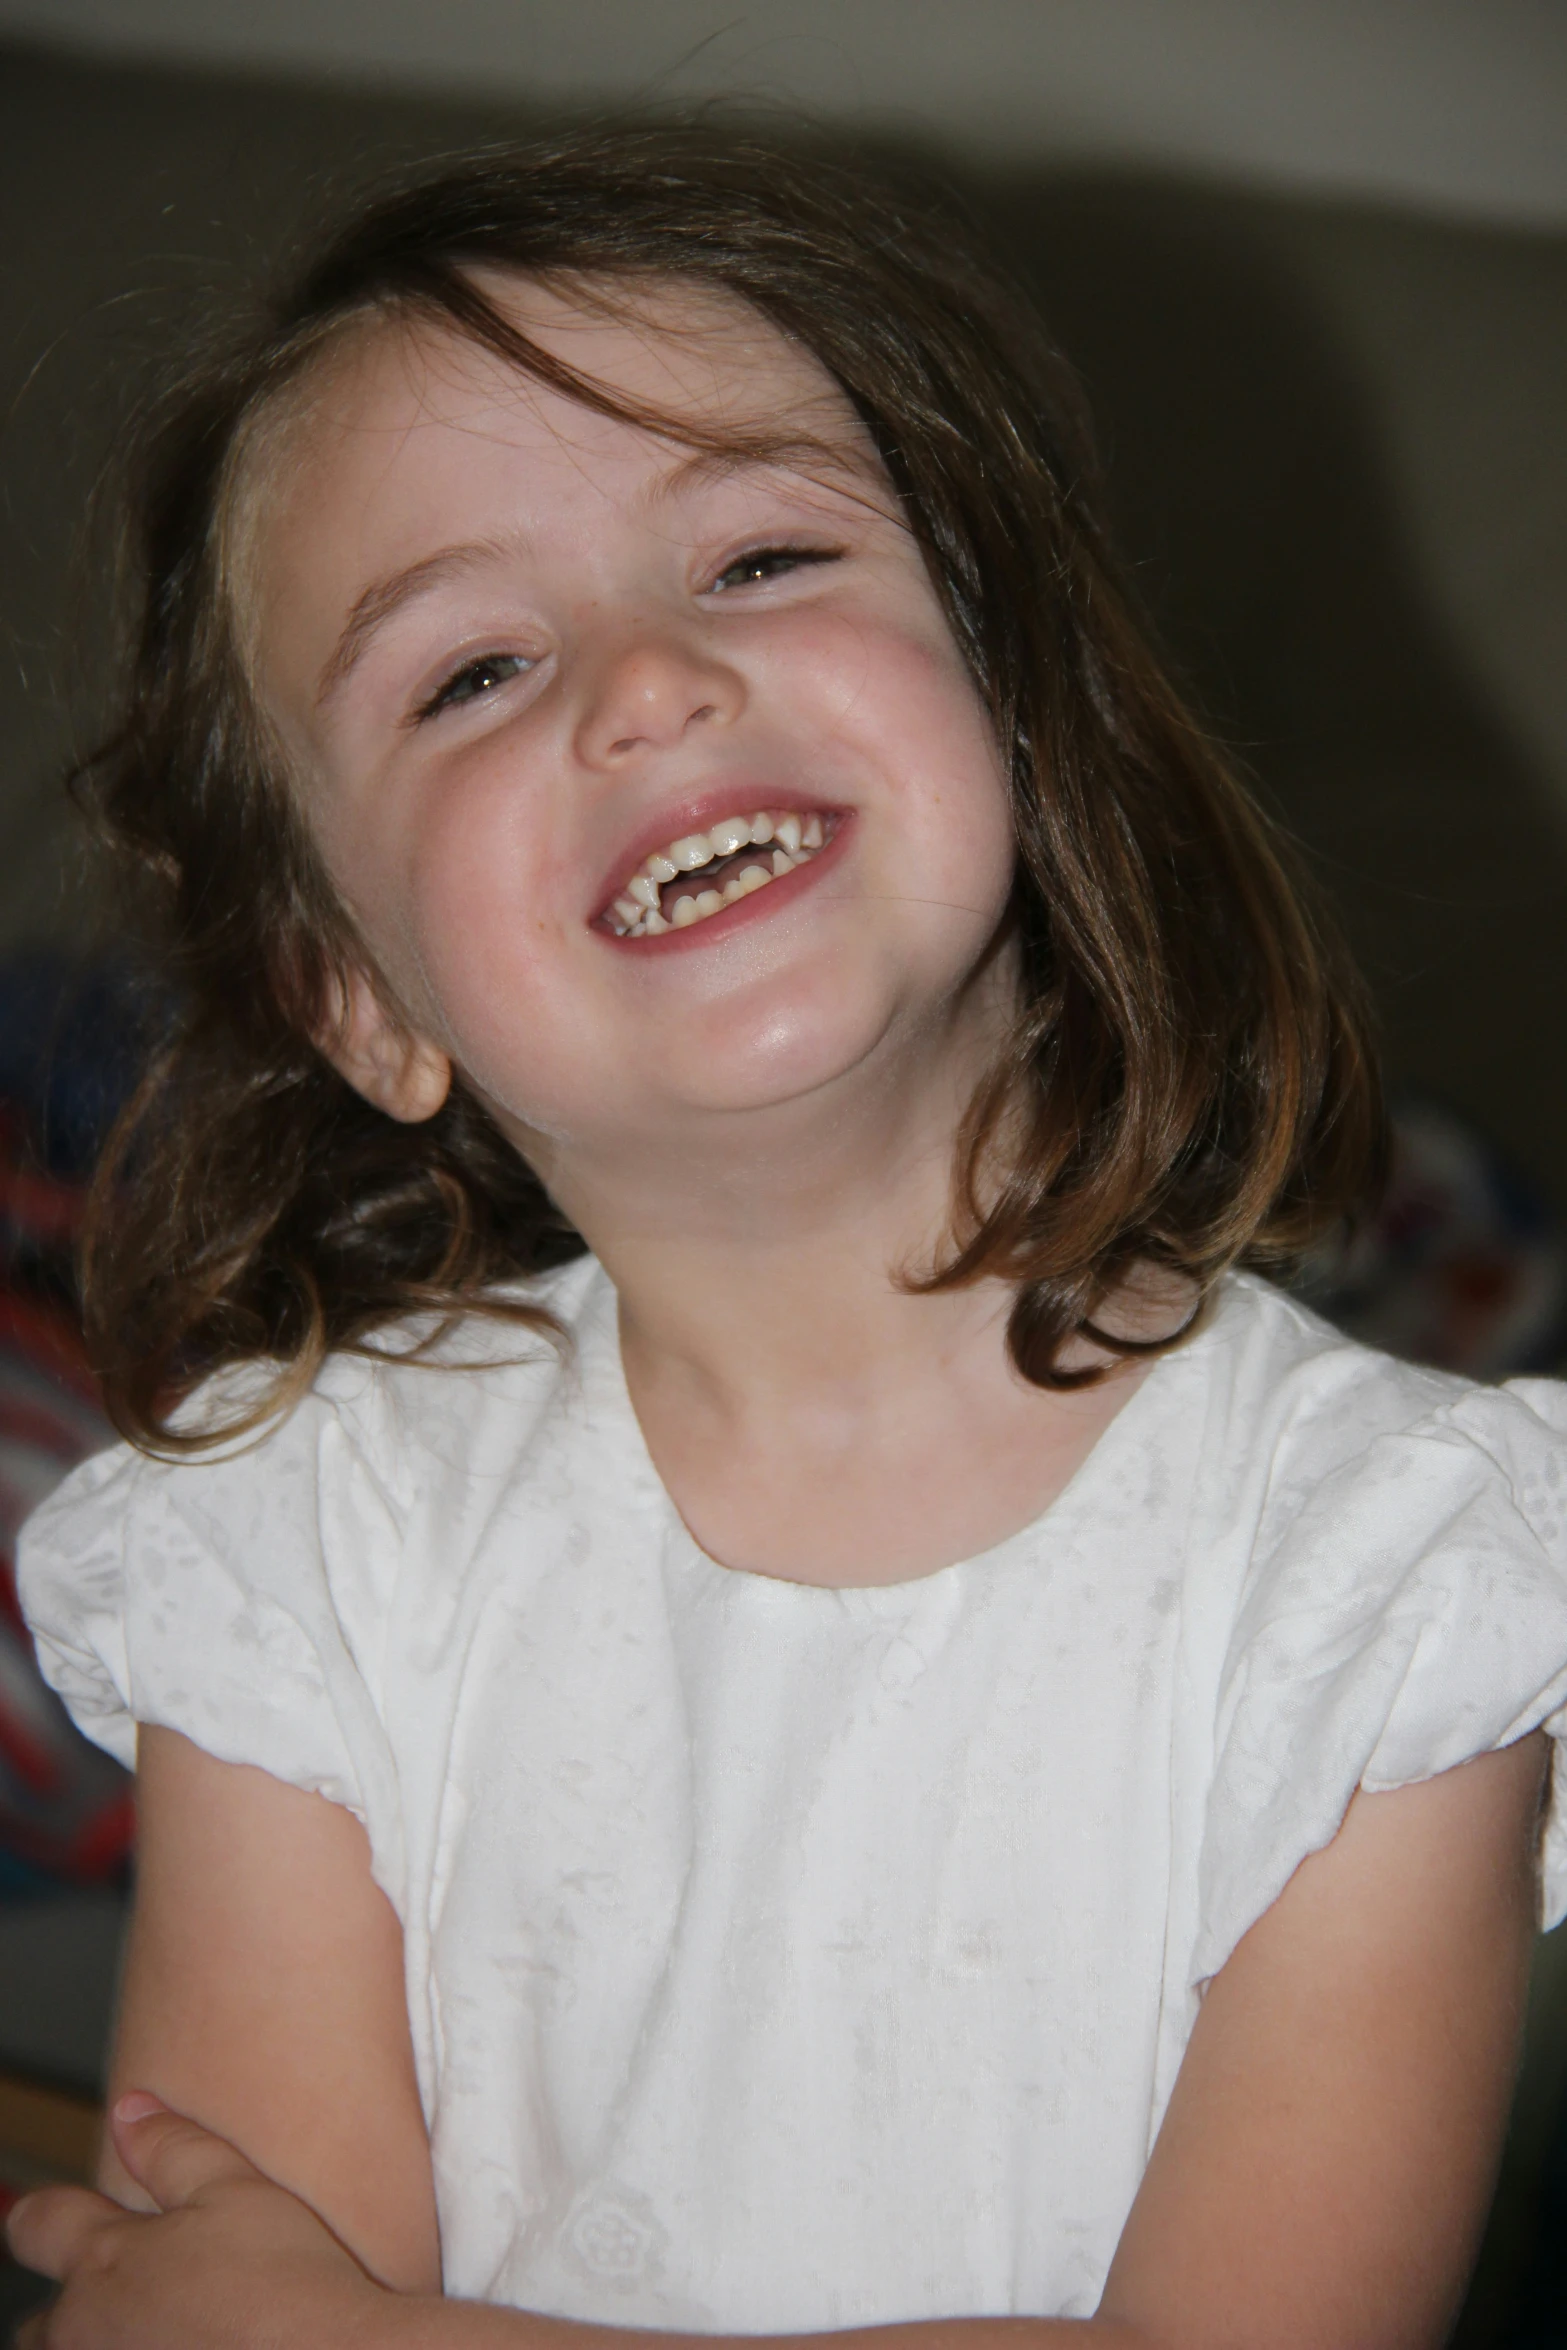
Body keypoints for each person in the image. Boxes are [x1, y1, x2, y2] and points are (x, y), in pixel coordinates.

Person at [8, 127, 1567, 2350]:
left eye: (754, 556)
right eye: (467, 672)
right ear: (357, 996)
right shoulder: (303, 1544)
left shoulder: (1396, 1590)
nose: (644, 683)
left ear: (1016, 699)